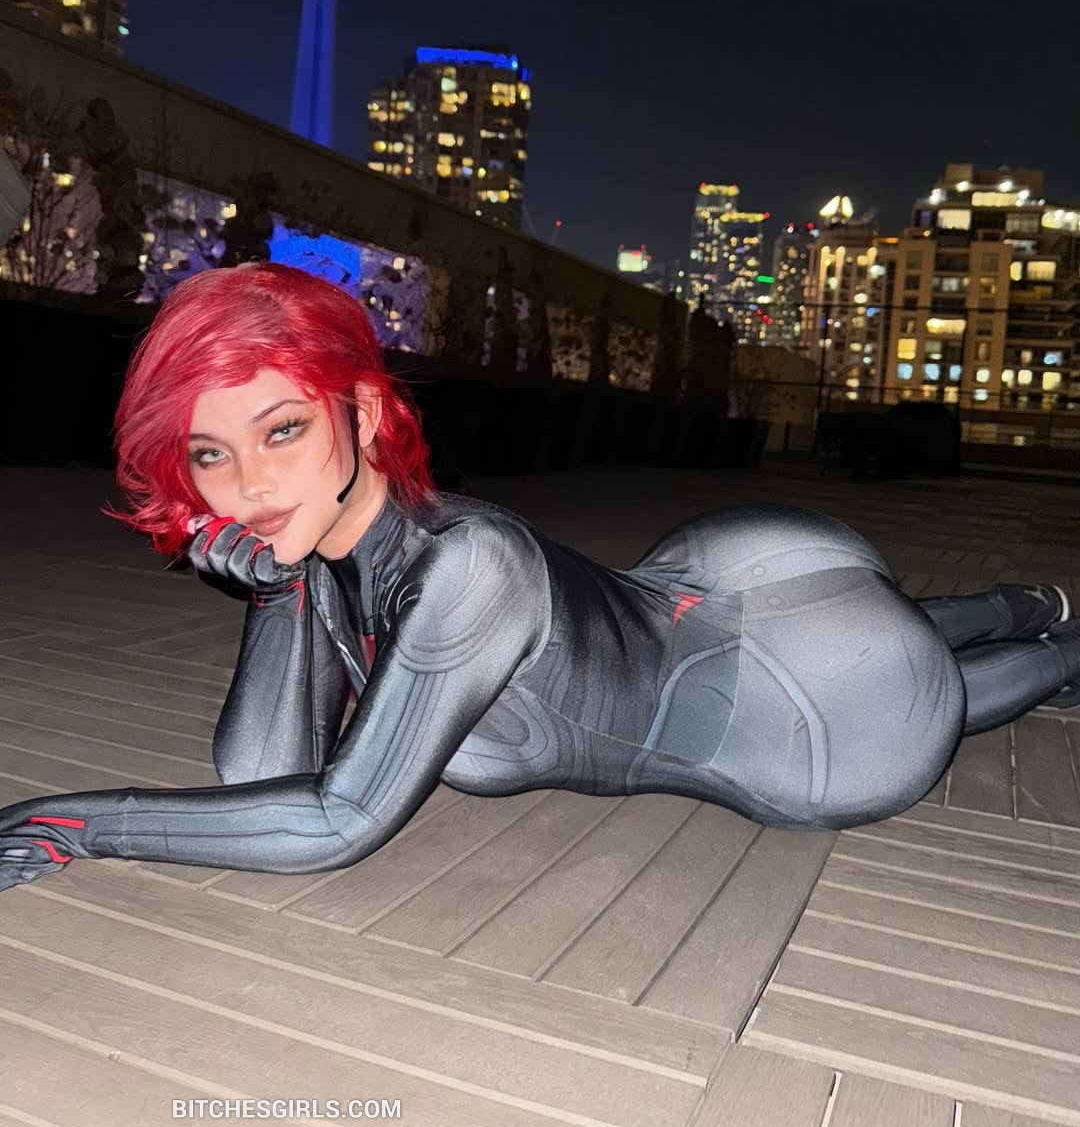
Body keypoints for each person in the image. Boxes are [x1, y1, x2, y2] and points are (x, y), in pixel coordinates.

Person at [2, 262, 1078, 891]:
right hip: (722, 598)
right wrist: (279, 591)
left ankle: (1055, 631)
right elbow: (259, 779)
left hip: (804, 719)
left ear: (363, 416)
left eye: (282, 430)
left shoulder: (465, 565)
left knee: (934, 691)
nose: (248, 484)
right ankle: (1029, 603)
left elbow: (336, 820)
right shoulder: (327, 547)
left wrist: (76, 824)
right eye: (210, 453)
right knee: (903, 638)